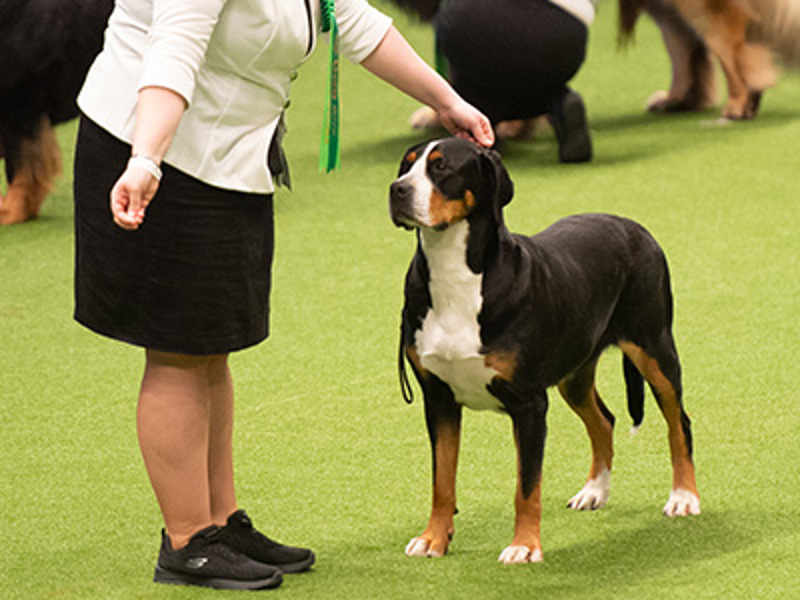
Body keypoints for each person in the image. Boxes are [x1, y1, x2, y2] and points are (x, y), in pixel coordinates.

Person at [72, 0, 494, 592]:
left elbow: (354, 21)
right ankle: (187, 540)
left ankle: (220, 523)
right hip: (156, 154)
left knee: (210, 348)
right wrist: (145, 160)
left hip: (227, 158)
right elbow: (173, 49)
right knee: (176, 351)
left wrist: (445, 99)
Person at [392, 0, 594, 163]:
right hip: (570, 32)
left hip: (483, 18)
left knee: (456, 23)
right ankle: (555, 101)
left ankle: (479, 121)